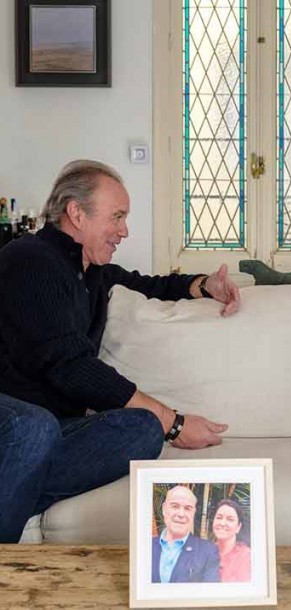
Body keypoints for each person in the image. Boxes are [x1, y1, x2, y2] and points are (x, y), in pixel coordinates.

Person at [0, 159, 241, 544]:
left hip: (51, 432)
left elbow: (151, 285)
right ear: (77, 214)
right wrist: (174, 421)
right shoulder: (28, 259)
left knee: (143, 428)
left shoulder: (92, 271)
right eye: (117, 216)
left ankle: (18, 487)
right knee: (36, 427)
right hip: (11, 418)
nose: (124, 231)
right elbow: (70, 366)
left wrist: (204, 284)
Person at [151, 485, 220, 583]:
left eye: (188, 508)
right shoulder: (145, 547)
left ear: (194, 513)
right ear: (164, 509)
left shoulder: (208, 552)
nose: (181, 514)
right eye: (175, 506)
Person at [212, 499, 251, 582]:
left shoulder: (246, 557)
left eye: (230, 519)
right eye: (219, 517)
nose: (222, 523)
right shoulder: (205, 553)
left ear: (238, 527)